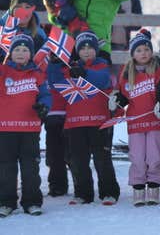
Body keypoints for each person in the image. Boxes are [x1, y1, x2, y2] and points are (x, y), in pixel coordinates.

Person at [48, 30, 119, 205]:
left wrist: (84, 73)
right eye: (83, 48)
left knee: (102, 159)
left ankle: (109, 192)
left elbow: (102, 80)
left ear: (96, 49)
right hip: (75, 123)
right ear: (77, 51)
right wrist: (55, 63)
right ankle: (82, 193)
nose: (87, 51)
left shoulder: (102, 66)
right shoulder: (70, 69)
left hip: (99, 122)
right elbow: (54, 82)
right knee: (78, 161)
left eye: (90, 47)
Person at [110, 29, 160, 206]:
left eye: (146, 49)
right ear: (132, 54)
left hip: (155, 121)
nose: (143, 53)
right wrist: (116, 101)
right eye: (138, 50)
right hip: (136, 122)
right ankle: (138, 188)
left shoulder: (159, 71)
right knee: (137, 157)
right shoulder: (126, 73)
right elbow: (124, 97)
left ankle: (153, 186)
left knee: (154, 156)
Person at [0, 34, 51, 217]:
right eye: (17, 49)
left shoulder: (38, 73)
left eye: (25, 49)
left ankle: (32, 202)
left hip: (29, 129)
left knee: (30, 168)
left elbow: (45, 95)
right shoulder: (3, 71)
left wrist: (44, 106)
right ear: (10, 53)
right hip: (5, 129)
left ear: (31, 53)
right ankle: (6, 202)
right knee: (6, 168)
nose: (21, 53)